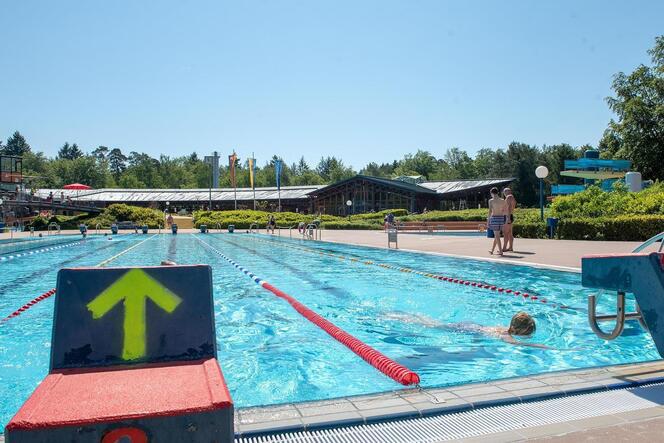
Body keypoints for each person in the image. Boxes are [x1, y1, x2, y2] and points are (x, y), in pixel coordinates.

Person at [383, 311, 549, 349]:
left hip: (472, 327)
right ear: (516, 330)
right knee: (430, 325)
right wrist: (544, 346)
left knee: (432, 323)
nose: (527, 336)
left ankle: (411, 316)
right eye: (526, 333)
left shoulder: (504, 330)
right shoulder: (506, 336)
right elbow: (516, 344)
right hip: (466, 329)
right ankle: (397, 317)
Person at [487, 187, 508, 256]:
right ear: (497, 193)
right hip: (501, 218)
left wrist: (488, 220)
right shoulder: (503, 200)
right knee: (497, 235)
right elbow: (506, 211)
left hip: (494, 218)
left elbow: (490, 211)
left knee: (497, 236)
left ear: (492, 193)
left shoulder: (491, 201)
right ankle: (492, 250)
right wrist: (506, 219)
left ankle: (501, 251)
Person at [502, 188, 517, 252]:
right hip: (511, 216)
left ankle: (504, 248)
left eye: (505, 191)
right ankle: (510, 247)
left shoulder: (508, 197)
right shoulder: (512, 197)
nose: (504, 193)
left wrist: (507, 218)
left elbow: (508, 208)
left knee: (505, 233)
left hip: (507, 216)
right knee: (510, 233)